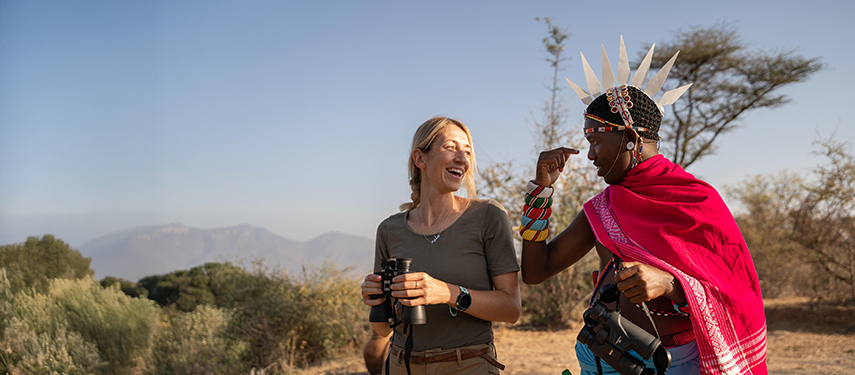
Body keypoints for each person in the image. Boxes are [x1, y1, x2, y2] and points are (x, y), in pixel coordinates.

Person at [521, 40, 768, 375]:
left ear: (632, 139)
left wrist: (671, 285)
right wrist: (541, 192)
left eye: (596, 141)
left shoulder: (698, 201)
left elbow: (736, 292)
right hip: (601, 358)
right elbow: (536, 271)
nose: (590, 155)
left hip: (673, 363)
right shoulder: (603, 208)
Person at [361, 116, 522, 375]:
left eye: (467, 151)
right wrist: (377, 300)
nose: (462, 158)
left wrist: (447, 293)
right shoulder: (389, 230)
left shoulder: (488, 216)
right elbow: (382, 330)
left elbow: (511, 308)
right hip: (402, 365)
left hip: (467, 365)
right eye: (450, 147)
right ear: (420, 159)